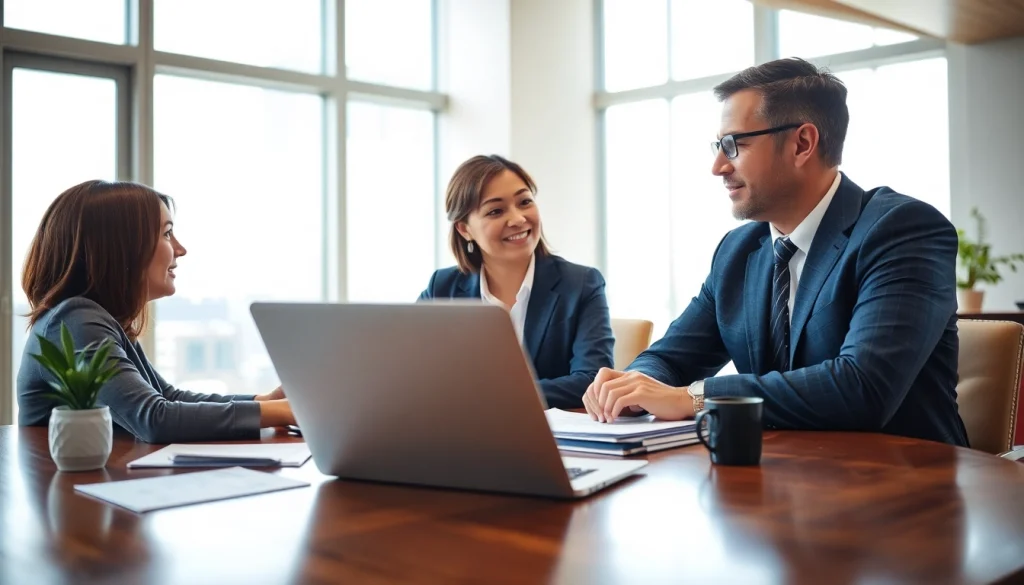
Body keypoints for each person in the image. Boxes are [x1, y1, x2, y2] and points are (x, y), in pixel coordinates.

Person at [583, 57, 968, 446]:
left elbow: (863, 387)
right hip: (779, 480)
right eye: (718, 146)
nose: (718, 166)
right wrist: (632, 389)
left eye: (733, 145)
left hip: (904, 485)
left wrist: (694, 398)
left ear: (802, 143)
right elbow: (671, 357)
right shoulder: (738, 251)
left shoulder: (902, 229)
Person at [17, 180, 295, 443]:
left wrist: (265, 400)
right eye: (167, 233)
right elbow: (154, 418)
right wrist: (283, 412)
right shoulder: (75, 320)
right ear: (120, 248)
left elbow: (167, 396)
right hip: (68, 489)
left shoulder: (98, 319)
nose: (180, 249)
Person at [420, 155, 614, 408]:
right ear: (464, 229)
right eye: (496, 211)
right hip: (460, 435)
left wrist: (498, 396)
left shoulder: (581, 284)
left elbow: (592, 380)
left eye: (525, 202)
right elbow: (413, 371)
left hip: (549, 438)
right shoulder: (442, 287)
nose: (518, 219)